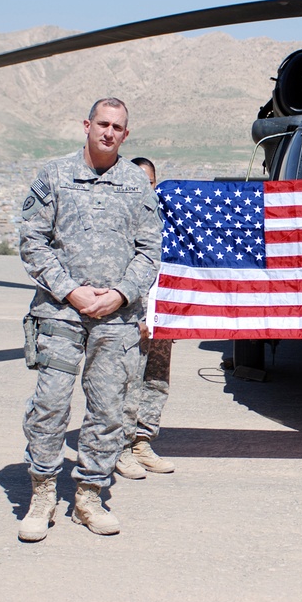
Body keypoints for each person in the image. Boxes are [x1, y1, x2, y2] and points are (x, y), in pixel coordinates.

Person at [17, 98, 162, 541]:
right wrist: (70, 290)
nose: (109, 133)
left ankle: (88, 496)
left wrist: (119, 294)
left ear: (126, 134)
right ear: (87, 125)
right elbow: (32, 240)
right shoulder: (54, 176)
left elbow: (150, 251)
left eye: (118, 127)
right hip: (60, 313)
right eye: (103, 124)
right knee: (50, 406)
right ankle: (42, 494)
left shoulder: (138, 184)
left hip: (116, 321)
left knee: (108, 410)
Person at [115, 157, 175, 479]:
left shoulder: (169, 221)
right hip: (130, 316)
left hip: (161, 316)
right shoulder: (120, 220)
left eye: (149, 183)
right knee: (128, 384)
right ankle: (121, 448)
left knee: (156, 382)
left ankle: (142, 442)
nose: (144, 188)